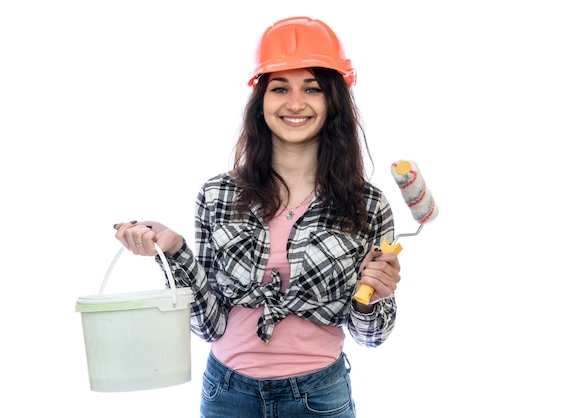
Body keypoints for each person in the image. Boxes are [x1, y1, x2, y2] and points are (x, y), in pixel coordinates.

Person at [114, 16, 401, 418]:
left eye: (312, 89)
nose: (295, 103)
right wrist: (176, 253)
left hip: (318, 397)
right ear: (261, 100)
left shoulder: (366, 204)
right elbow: (209, 326)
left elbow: (372, 338)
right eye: (280, 88)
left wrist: (374, 299)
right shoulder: (218, 195)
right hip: (227, 394)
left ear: (333, 101)